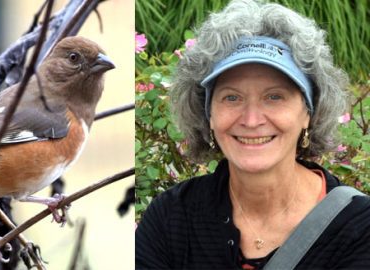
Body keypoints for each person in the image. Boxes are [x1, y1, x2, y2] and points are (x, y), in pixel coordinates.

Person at [135, 0, 370, 269]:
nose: (251, 119)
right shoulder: (172, 218)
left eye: (274, 97)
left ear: (309, 111)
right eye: (232, 97)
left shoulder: (358, 229)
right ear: (208, 113)